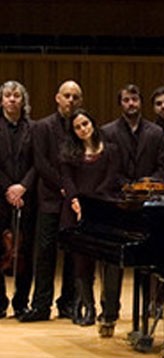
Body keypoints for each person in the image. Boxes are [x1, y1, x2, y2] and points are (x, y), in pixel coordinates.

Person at [98, 83, 164, 332]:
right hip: (118, 203)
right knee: (113, 261)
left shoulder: (156, 132)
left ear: (140, 102)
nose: (131, 104)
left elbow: (163, 167)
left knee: (150, 258)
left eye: (135, 99)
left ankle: (151, 308)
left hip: (148, 203)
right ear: (121, 103)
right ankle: (109, 313)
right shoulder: (107, 132)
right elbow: (107, 168)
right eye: (126, 100)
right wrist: (127, 186)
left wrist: (146, 185)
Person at [19, 80, 83, 323]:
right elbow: (41, 162)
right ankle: (41, 305)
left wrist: (73, 189)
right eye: (66, 95)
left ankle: (68, 303)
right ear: (57, 98)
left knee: (72, 253)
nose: (70, 100)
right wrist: (63, 185)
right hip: (50, 197)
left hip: (73, 200)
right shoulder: (43, 126)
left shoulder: (81, 126)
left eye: (75, 97)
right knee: (44, 254)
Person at [59, 109, 122, 327]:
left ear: (92, 123)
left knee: (108, 261)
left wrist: (92, 203)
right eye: (77, 127)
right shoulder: (68, 152)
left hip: (103, 210)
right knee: (81, 262)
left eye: (85, 124)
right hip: (76, 212)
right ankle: (89, 308)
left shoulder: (111, 150)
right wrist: (76, 200)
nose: (82, 129)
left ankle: (109, 308)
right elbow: (67, 180)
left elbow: (111, 179)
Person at [0, 81, 36, 318]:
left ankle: (21, 302)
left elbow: (39, 162)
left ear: (23, 101)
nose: (12, 99)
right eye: (8, 95)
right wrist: (8, 189)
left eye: (17, 96)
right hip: (0, 196)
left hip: (27, 197)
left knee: (25, 251)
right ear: (1, 100)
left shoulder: (34, 128)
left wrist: (22, 186)